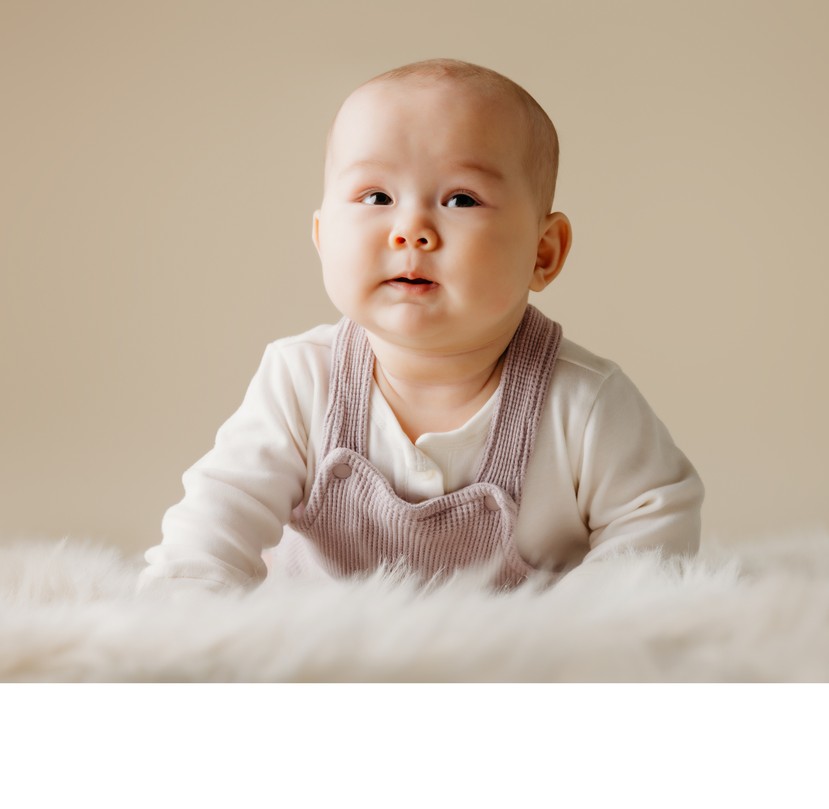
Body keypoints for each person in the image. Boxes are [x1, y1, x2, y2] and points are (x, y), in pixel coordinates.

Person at [138, 58, 703, 593]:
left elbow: (654, 522)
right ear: (321, 237)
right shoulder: (301, 380)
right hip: (322, 657)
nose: (411, 230)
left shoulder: (582, 401)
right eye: (376, 196)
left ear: (543, 253)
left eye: (460, 199)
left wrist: (575, 636)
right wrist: (188, 623)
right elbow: (213, 524)